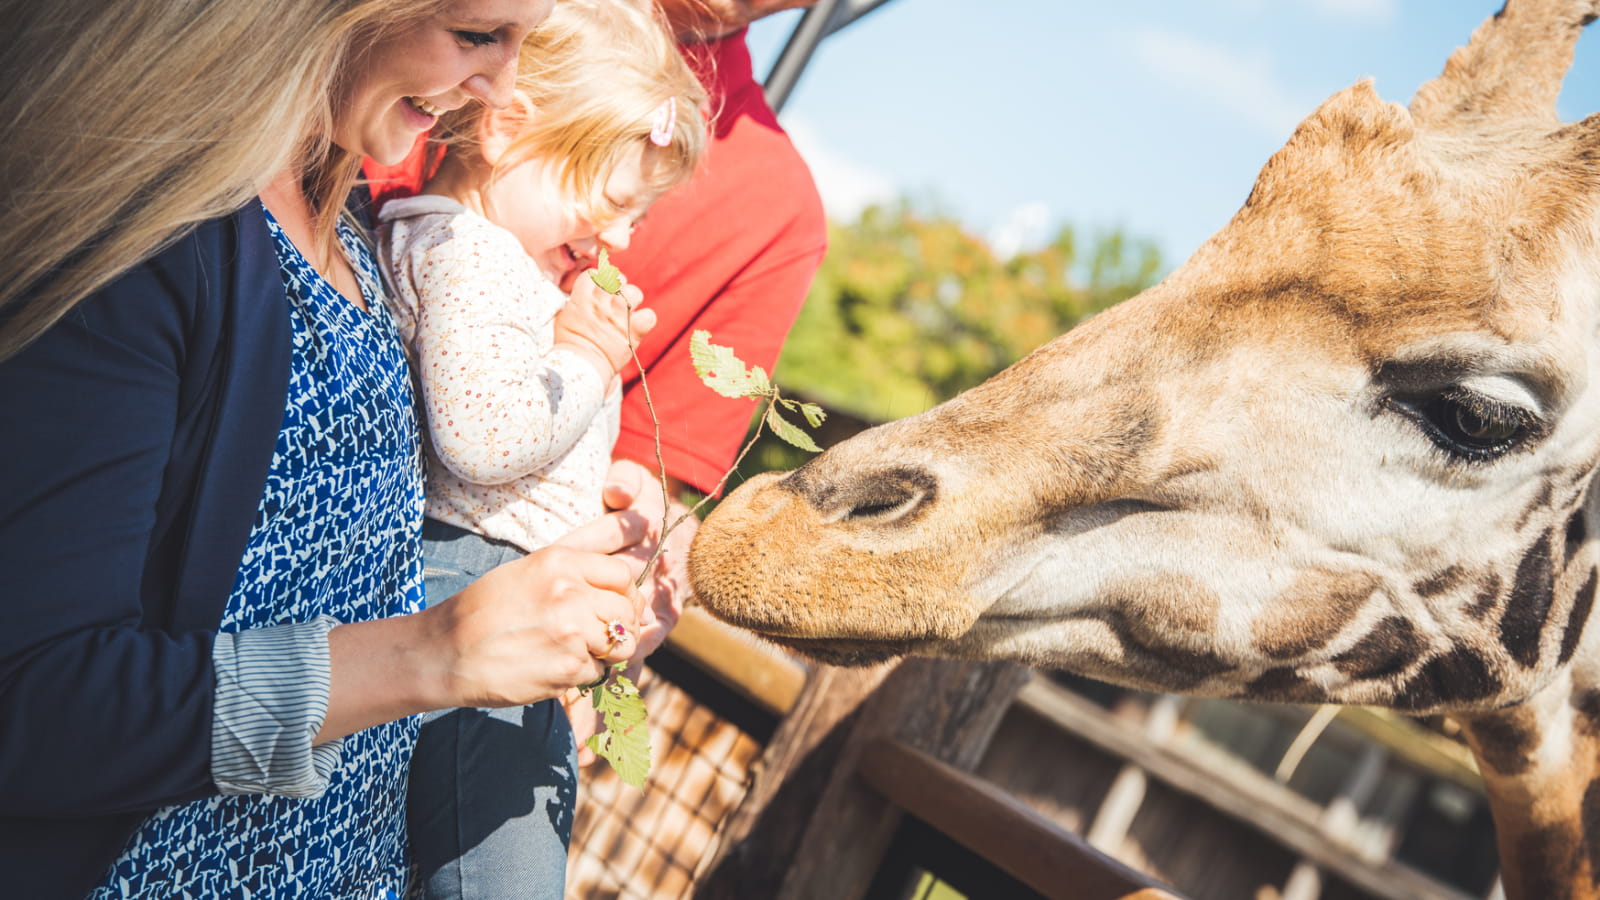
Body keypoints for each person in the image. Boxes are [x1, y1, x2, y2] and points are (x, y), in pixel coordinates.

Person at [0, 1, 658, 897]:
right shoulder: (152, 234)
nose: (502, 86)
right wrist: (435, 655)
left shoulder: (352, 224)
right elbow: (40, 706)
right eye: (476, 37)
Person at [371, 2, 708, 895]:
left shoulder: (503, 256)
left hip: (500, 581)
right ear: (510, 129)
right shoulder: (463, 252)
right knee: (503, 862)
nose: (621, 238)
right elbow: (485, 440)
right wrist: (589, 359)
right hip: (472, 583)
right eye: (610, 204)